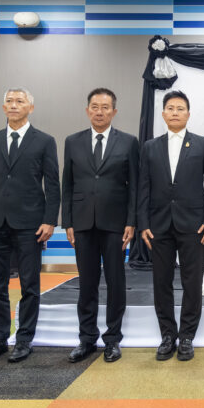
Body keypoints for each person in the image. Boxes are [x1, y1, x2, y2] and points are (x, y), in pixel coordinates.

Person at [0, 88, 60, 364]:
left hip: (30, 224)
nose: (14, 105)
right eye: (9, 101)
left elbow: (52, 184)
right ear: (3, 107)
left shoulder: (44, 141)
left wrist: (49, 220)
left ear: (30, 107)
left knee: (30, 284)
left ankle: (24, 340)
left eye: (20, 101)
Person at [138, 90, 204, 362]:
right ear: (163, 114)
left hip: (194, 225)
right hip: (159, 225)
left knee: (192, 282)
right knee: (161, 282)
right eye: (170, 108)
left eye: (180, 108)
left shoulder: (203, 144)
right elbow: (143, 187)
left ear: (188, 114)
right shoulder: (150, 147)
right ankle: (167, 335)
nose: (175, 112)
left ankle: (186, 337)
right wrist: (143, 223)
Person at [61, 88, 139, 364]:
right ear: (87, 110)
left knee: (116, 282)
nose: (99, 112)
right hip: (82, 222)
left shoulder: (129, 142)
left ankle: (113, 339)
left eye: (105, 107)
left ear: (114, 112)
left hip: (116, 224)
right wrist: (67, 221)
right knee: (87, 282)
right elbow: (68, 184)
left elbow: (134, 186)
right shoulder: (73, 141)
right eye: (95, 107)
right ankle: (86, 338)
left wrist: (131, 221)